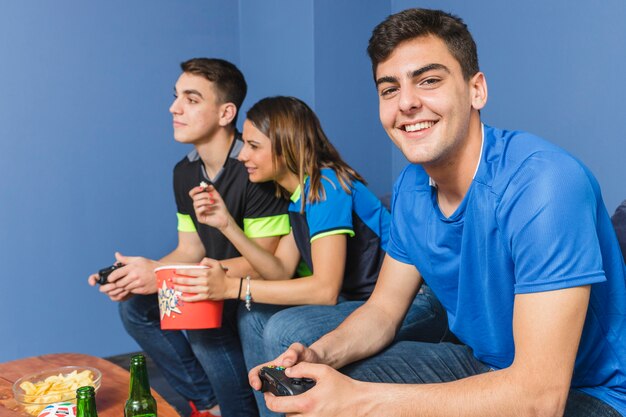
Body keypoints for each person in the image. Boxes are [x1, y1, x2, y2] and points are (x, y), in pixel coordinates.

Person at [246, 8, 626, 417]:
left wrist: (358, 400)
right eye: (389, 89)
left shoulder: (545, 184)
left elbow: (539, 398)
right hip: (487, 366)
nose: (407, 103)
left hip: (589, 391)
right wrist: (320, 354)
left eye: (429, 81)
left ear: (476, 90)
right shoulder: (411, 187)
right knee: (316, 390)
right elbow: (382, 312)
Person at [175, 96, 449, 417]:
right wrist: (226, 225)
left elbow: (324, 290)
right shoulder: (298, 197)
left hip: (416, 302)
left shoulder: (327, 186)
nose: (243, 156)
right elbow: (279, 269)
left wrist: (233, 288)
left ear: (286, 145)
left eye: (252, 146)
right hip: (362, 300)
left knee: (282, 328)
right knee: (253, 316)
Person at [88, 58, 290, 417]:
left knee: (193, 310)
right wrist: (139, 274)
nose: (174, 107)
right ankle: (208, 403)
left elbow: (264, 264)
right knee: (135, 304)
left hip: (255, 289)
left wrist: (170, 277)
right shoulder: (185, 172)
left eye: (191, 99)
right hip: (213, 282)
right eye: (176, 96)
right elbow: (190, 249)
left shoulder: (257, 165)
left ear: (226, 112)